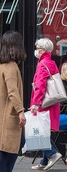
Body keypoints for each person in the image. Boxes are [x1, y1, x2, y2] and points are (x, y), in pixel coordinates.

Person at [30, 38, 62, 170]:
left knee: (37, 132)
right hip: (51, 102)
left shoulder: (42, 64)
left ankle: (52, 154)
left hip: (43, 103)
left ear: (42, 50)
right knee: (44, 131)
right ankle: (44, 161)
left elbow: (40, 85)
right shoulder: (51, 62)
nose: (36, 50)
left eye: (37, 48)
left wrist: (36, 103)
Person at [0, 31, 26, 172]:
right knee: (11, 147)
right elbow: (12, 92)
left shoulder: (3, 65)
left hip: (3, 115)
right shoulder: (11, 66)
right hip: (8, 117)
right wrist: (21, 111)